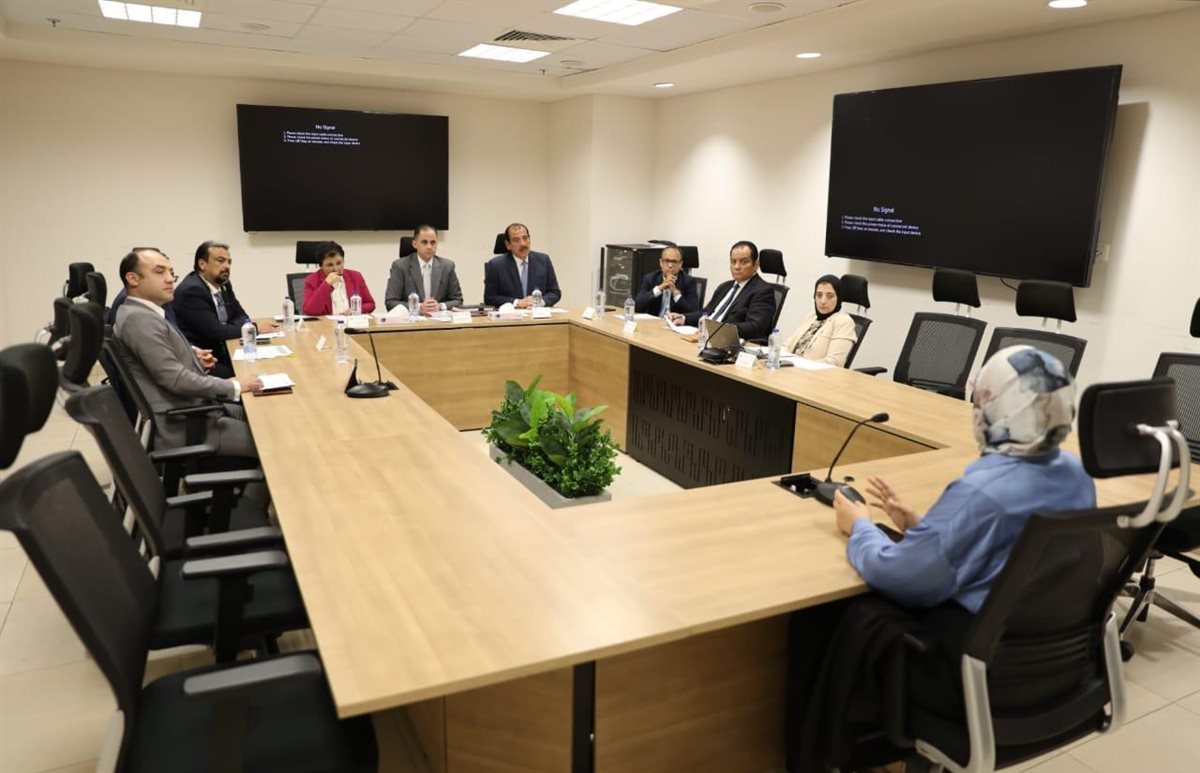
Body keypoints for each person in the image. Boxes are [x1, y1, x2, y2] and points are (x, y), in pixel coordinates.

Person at [789, 346, 1095, 772]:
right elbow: (1011, 553)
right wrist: (926, 528)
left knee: (828, 614)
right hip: (1044, 670)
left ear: (1001, 412)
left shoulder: (983, 493)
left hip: (967, 678)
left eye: (983, 401)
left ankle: (819, 758)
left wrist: (860, 526)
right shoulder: (1076, 475)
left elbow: (900, 578)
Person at [112, 248, 261, 458]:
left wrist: (191, 355)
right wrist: (235, 385)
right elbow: (175, 379)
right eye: (159, 272)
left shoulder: (143, 312)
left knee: (265, 413)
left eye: (171, 273)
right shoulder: (139, 319)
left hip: (197, 410)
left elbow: (163, 359)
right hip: (187, 425)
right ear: (133, 278)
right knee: (275, 439)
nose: (169, 279)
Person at [668, 240, 775, 341]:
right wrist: (684, 318)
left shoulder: (763, 291)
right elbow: (706, 313)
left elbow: (754, 327)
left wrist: (716, 329)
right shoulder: (724, 287)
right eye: (733, 261)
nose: (737, 267)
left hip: (727, 343)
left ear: (755, 265)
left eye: (744, 262)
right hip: (704, 338)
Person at [173, 240, 250, 379]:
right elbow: (217, 333)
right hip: (205, 362)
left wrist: (242, 325)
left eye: (229, 262)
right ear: (202, 264)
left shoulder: (224, 284)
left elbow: (242, 316)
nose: (226, 266)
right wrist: (251, 327)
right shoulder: (192, 290)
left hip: (225, 352)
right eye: (220, 261)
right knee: (251, 375)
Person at [782, 274, 858, 367]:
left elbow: (834, 362)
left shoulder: (844, 322)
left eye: (830, 296)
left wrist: (800, 365)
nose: (823, 301)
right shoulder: (812, 316)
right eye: (819, 295)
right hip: (792, 369)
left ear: (838, 298)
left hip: (813, 373)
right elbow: (787, 345)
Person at [385, 226, 464, 313]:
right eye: (424, 242)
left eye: (433, 242)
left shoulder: (447, 266)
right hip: (412, 319)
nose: (429, 247)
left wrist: (440, 306)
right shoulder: (400, 266)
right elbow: (391, 302)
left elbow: (458, 300)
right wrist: (418, 307)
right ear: (415, 244)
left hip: (439, 318)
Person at [484, 223, 561, 308]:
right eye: (516, 240)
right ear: (508, 245)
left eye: (525, 238)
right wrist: (517, 302)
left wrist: (540, 302)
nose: (523, 243)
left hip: (538, 313)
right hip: (511, 314)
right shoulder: (496, 265)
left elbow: (555, 292)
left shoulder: (544, 260)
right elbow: (490, 297)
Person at [302, 241, 377, 316]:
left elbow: (370, 304)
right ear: (321, 266)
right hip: (327, 323)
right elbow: (309, 311)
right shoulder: (311, 280)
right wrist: (327, 284)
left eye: (339, 263)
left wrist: (356, 310)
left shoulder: (355, 276)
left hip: (351, 321)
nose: (336, 269)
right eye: (330, 265)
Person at [634, 245, 700, 316]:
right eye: (667, 261)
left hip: (674, 321)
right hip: (655, 321)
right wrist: (659, 288)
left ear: (680, 264)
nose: (670, 265)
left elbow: (694, 312)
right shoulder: (650, 279)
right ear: (661, 262)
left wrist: (675, 293)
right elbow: (637, 306)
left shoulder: (689, 281)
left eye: (674, 261)